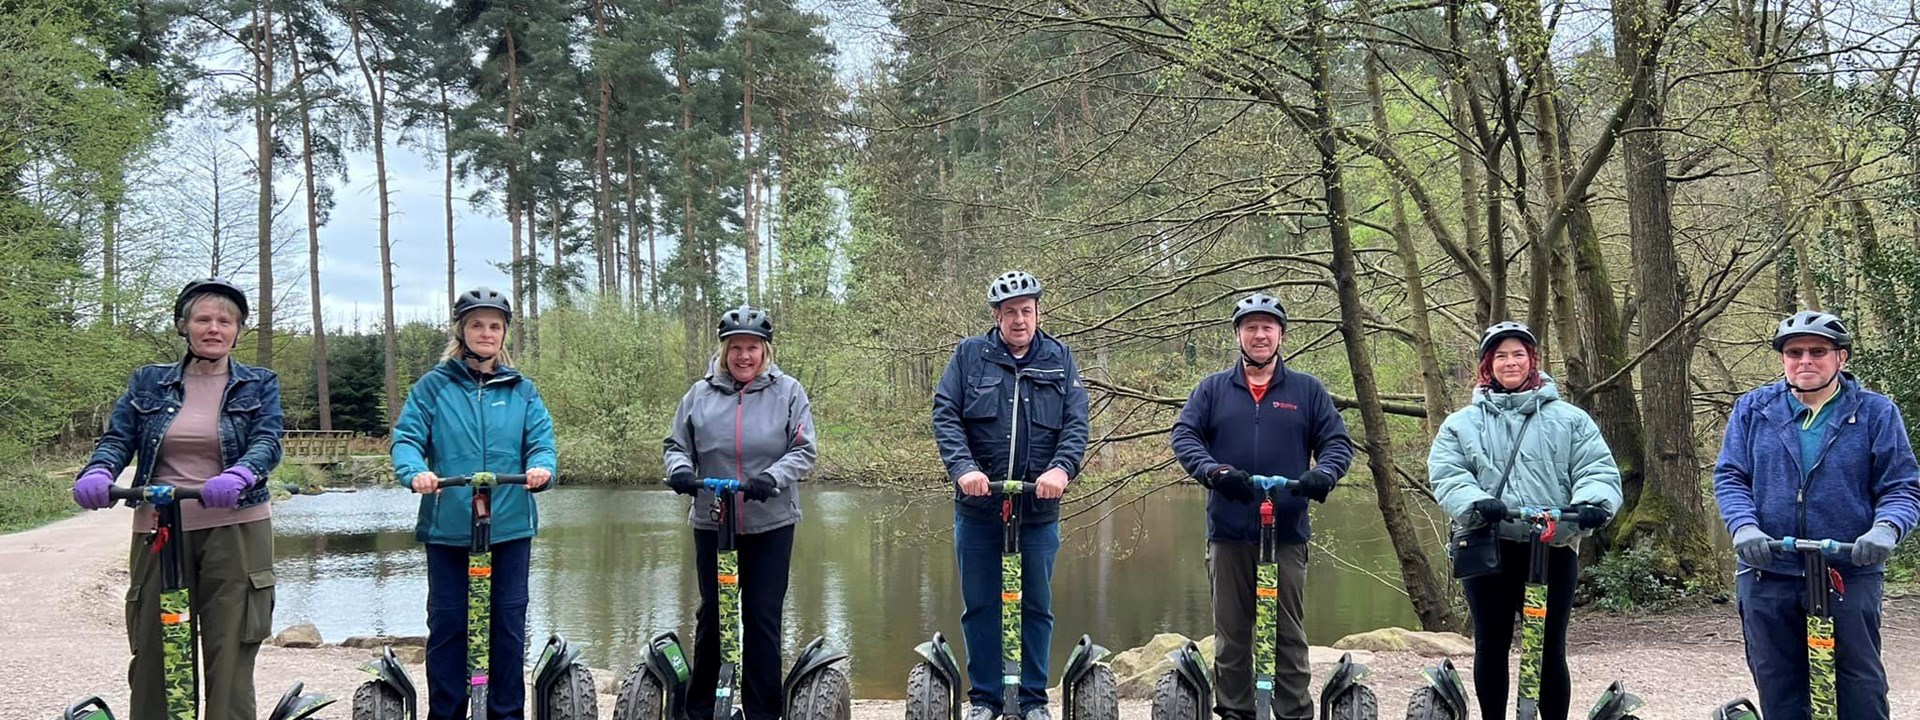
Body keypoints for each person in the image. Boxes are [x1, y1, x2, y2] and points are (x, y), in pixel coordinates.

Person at [71, 277, 284, 720]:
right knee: (153, 645)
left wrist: (241, 472)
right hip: (159, 526)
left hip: (236, 523)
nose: (214, 328)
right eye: (203, 319)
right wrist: (98, 471)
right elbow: (119, 437)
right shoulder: (149, 381)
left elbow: (267, 440)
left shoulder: (259, 383)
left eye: (226, 321)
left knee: (231, 648)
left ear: (238, 330)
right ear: (183, 326)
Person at [1714, 310, 1918, 720]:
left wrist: (1885, 529)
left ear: (1841, 358)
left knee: (1860, 685)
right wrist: (1744, 526)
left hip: (1847, 569)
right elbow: (1731, 477)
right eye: (1794, 352)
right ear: (1783, 359)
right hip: (1767, 568)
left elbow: (1901, 486)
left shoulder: (1876, 413)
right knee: (1779, 683)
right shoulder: (1754, 409)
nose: (1805, 360)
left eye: (1818, 351)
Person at [1168, 292, 1354, 720]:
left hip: (1288, 530)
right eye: (1250, 327)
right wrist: (1214, 473)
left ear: (1281, 336)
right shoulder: (1213, 389)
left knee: (1288, 631)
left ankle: (1293, 712)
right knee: (1232, 633)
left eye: (1267, 327)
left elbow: (1337, 443)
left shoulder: (1306, 390)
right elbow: (1185, 436)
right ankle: (1236, 711)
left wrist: (1322, 474)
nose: (1259, 335)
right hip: (1229, 530)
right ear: (1238, 335)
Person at [1429, 320, 1621, 720]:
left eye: (1518, 354)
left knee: (1550, 646)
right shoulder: (1462, 424)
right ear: (1487, 364)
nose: (1510, 362)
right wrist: (1478, 502)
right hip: (1490, 547)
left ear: (1532, 361)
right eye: (1501, 356)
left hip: (1552, 545)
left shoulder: (1570, 419)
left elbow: (1596, 469)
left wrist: (1592, 503)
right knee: (1491, 644)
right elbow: (1448, 473)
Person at [391, 286, 557, 720]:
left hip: (510, 526)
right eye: (477, 325)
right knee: (448, 624)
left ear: (504, 335)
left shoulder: (522, 390)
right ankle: (446, 712)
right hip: (448, 526)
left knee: (507, 624)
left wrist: (540, 470)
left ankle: (507, 713)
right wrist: (416, 473)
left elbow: (541, 443)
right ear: (462, 331)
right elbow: (407, 439)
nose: (486, 332)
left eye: (494, 326)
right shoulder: (433, 387)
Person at [930, 270, 1090, 720]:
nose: (1019, 320)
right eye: (1010, 313)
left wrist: (1062, 468)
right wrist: (963, 469)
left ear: (1038, 312)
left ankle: (1034, 700)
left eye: (1027, 311)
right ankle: (985, 698)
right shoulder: (969, 356)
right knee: (980, 605)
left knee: (1036, 605)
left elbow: (1077, 424)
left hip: (1037, 510)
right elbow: (946, 416)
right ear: (996, 316)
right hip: (980, 508)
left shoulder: (1060, 358)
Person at [662, 304, 819, 720]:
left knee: (762, 616)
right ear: (724, 350)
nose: (744, 356)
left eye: (752, 347)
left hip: (770, 521)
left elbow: (804, 450)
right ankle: (700, 709)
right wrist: (680, 470)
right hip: (712, 520)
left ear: (765, 351)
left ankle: (763, 711)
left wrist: (772, 477)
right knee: (712, 614)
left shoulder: (789, 392)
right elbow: (676, 444)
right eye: (736, 348)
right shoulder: (699, 394)